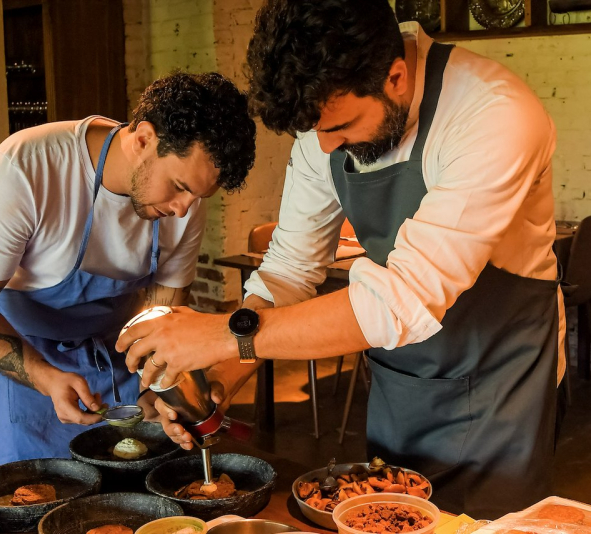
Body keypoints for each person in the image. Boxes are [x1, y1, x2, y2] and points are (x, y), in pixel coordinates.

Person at [117, 0, 566, 519]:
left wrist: (223, 333)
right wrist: (219, 376)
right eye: (315, 133)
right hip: (404, 379)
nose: (327, 147)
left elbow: (403, 299)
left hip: (498, 384)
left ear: (395, 76)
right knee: (391, 517)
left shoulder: (494, 115)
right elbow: (290, 268)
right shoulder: (321, 127)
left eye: (342, 126)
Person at [0, 71, 256, 470]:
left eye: (198, 195)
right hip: (29, 376)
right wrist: (44, 377)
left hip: (120, 368)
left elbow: (163, 320)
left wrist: (155, 390)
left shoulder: (184, 204)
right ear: (143, 139)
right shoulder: (26, 168)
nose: (184, 209)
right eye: (179, 187)